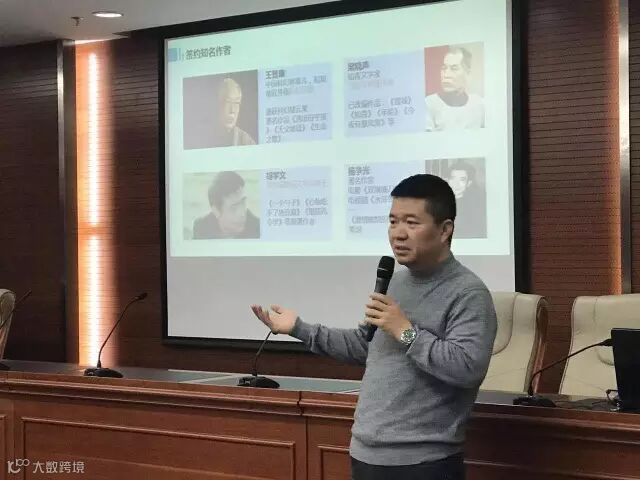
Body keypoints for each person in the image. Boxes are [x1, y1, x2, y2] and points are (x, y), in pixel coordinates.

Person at [251, 174, 497, 480]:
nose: (398, 234)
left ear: (445, 230)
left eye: (411, 223)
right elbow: (365, 345)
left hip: (425, 462)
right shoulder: (396, 282)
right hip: (367, 453)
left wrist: (406, 331)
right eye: (393, 222)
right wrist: (299, 328)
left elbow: (467, 368)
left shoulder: (468, 293)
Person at [425, 47, 485, 131]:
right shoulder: (429, 104)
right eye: (444, 68)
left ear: (467, 73)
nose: (446, 75)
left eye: (454, 68)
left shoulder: (479, 104)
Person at [192, 171, 260, 239]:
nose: (242, 214)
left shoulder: (257, 228)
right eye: (234, 208)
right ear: (216, 211)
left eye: (243, 203)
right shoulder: (201, 228)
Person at [447, 160, 487, 238]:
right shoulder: (438, 203)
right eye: (453, 178)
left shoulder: (476, 207)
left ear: (468, 183)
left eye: (462, 179)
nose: (456, 184)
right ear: (448, 180)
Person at [211, 78, 256, 147]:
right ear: (218, 104)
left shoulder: (247, 141)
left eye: (236, 103)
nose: (232, 111)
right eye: (228, 102)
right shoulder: (203, 136)